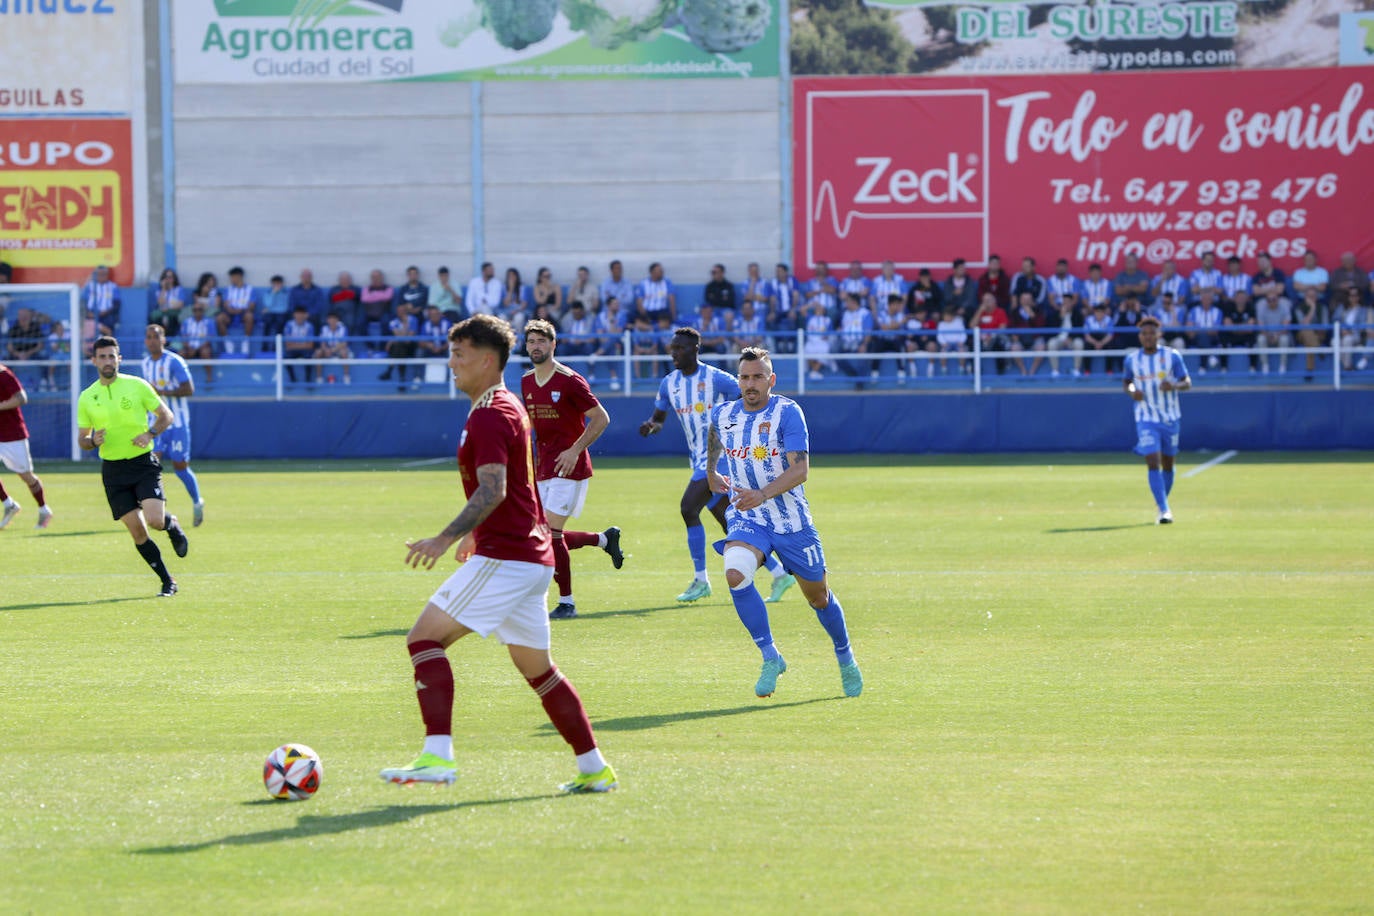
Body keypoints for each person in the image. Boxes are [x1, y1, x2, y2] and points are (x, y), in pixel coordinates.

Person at [380, 314, 617, 793]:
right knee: (541, 672)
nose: (451, 364)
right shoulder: (504, 405)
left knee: (423, 640)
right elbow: (517, 488)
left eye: (459, 355)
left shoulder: (492, 413)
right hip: (525, 557)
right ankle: (595, 769)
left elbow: (493, 488)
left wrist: (445, 538)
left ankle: (437, 756)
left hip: (509, 559)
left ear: (487, 360)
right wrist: (475, 534)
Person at [705, 347, 862, 699]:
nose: (750, 383)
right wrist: (712, 468)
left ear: (771, 380)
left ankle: (845, 657)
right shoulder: (725, 413)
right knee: (735, 573)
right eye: (745, 377)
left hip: (791, 522)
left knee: (818, 598)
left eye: (758, 376)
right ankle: (770, 656)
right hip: (749, 516)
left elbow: (800, 470)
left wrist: (761, 493)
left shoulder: (787, 413)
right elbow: (716, 434)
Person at [638, 328, 794, 604]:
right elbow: (659, 416)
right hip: (698, 457)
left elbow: (749, 395)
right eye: (672, 349)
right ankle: (780, 573)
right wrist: (653, 426)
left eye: (680, 349)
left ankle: (701, 580)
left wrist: (735, 427)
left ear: (695, 349)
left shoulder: (716, 378)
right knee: (727, 518)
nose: (674, 353)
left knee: (688, 508)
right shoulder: (669, 383)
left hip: (721, 454)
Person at [520, 320, 624, 621]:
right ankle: (603, 539)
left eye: (542, 341)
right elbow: (531, 428)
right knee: (546, 534)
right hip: (543, 468)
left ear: (554, 344)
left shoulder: (570, 380)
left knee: (550, 533)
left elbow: (601, 418)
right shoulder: (527, 381)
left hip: (571, 467)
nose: (536, 346)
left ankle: (566, 602)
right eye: (531, 342)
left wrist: (575, 449)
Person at [77, 336, 189, 596]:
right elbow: (82, 440)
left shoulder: (137, 386)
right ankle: (167, 581)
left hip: (142, 464)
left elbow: (166, 415)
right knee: (138, 532)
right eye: (102, 356)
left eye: (111, 356)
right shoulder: (87, 397)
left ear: (119, 359)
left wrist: (150, 434)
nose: (107, 361)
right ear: (94, 360)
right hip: (113, 471)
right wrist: (92, 440)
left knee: (155, 521)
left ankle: (171, 525)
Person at [1123, 316, 1191, 524]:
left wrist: (1175, 386)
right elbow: (1127, 382)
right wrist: (1132, 392)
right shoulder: (1132, 359)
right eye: (1144, 334)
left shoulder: (1172, 357)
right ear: (1140, 336)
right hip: (1145, 416)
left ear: (1158, 335)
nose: (1148, 337)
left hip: (1170, 416)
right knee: (1153, 460)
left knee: (1168, 463)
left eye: (1152, 333)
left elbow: (1187, 382)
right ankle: (1164, 509)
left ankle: (1162, 503)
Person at [141, 324, 205, 527]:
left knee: (180, 467)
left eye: (156, 337)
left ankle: (197, 502)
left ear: (164, 339)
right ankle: (158, 511)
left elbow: (189, 389)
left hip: (177, 423)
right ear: (146, 341)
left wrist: (161, 392)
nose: (152, 340)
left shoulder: (174, 361)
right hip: (157, 424)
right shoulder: (145, 364)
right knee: (152, 467)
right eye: (149, 337)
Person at [0, 362, 53, 529]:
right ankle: (9, 503)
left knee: (26, 476)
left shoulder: (4, 375)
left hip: (12, 434)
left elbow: (22, 398)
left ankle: (44, 509)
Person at [218, 266, 259, 354]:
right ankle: (227, 342)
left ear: (239, 276)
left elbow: (252, 305)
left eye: (232, 277)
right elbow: (225, 304)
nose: (231, 279)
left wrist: (241, 310)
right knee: (220, 318)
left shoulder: (250, 289)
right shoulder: (228, 289)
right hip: (230, 313)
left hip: (244, 313)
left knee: (249, 316)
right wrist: (231, 310)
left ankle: (245, 342)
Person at [315, 312, 353, 384]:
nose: (332, 321)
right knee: (318, 352)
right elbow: (322, 342)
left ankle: (346, 376)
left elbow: (344, 343)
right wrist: (325, 349)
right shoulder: (324, 329)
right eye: (330, 319)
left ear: (337, 320)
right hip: (327, 350)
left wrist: (332, 350)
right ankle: (319, 377)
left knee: (344, 352)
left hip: (338, 349)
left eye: (334, 319)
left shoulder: (343, 329)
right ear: (327, 320)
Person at [83, 265, 121, 335]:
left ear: (107, 275)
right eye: (99, 274)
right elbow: (83, 303)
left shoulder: (112, 287)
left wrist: (104, 312)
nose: (101, 276)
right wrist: (89, 313)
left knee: (109, 329)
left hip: (107, 316)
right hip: (91, 316)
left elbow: (116, 304)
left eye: (104, 274)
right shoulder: (89, 286)